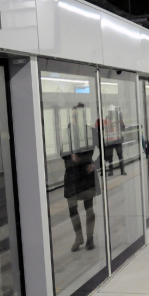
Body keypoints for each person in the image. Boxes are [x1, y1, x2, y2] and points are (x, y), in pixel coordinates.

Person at [65, 103, 97, 252]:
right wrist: (70, 156)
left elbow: (100, 149)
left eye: (77, 115)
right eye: (73, 115)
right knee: (72, 208)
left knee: (88, 207)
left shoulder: (91, 132)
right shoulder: (67, 132)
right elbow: (62, 151)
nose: (75, 118)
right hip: (71, 175)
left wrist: (94, 164)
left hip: (86, 174)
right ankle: (79, 237)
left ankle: (90, 237)